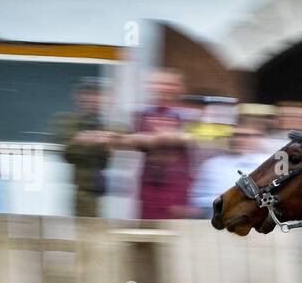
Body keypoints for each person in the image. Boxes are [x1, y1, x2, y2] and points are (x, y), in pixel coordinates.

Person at [119, 69, 196, 219]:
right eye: (158, 83)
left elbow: (204, 140)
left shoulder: (190, 115)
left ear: (180, 87)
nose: (163, 88)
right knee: (146, 228)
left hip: (178, 186)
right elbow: (124, 140)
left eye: (169, 84)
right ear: (150, 86)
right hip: (147, 184)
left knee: (175, 231)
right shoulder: (140, 113)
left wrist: (162, 138)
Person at [49, 77, 116, 218]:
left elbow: (119, 137)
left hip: (110, 190)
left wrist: (87, 139)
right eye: (87, 93)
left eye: (96, 94)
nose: (91, 99)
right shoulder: (66, 120)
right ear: (77, 96)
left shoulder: (108, 123)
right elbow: (67, 152)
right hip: (79, 190)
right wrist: (98, 140)